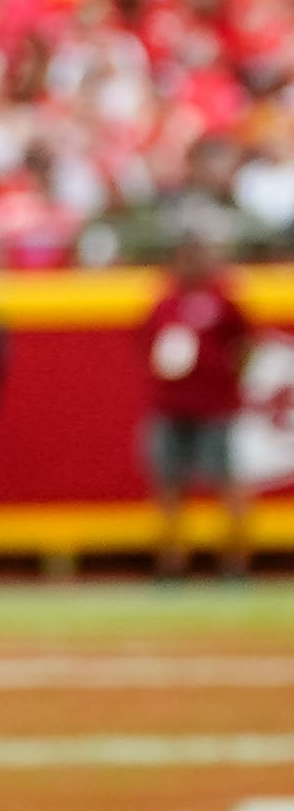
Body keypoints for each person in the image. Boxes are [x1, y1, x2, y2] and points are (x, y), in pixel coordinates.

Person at [145, 225, 254, 579]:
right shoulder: (164, 303)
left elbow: (246, 343)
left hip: (214, 406)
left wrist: (225, 378)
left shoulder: (223, 299)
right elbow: (146, 346)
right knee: (169, 483)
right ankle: (172, 561)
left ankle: (235, 560)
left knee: (226, 481)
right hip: (170, 405)